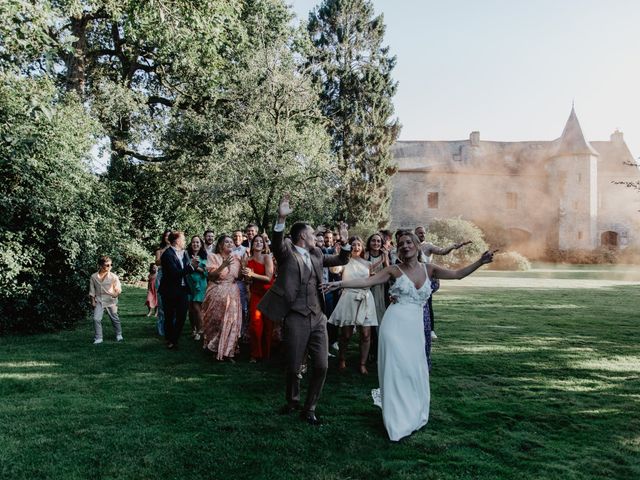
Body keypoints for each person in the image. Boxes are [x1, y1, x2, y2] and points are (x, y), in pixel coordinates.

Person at [323, 230, 495, 441]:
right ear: (398, 248)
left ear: (416, 245)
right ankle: (396, 418)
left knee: (414, 370)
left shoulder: (429, 269)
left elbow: (457, 274)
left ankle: (413, 410)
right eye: (401, 243)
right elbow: (367, 282)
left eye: (408, 242)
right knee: (397, 370)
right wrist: (339, 284)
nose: (405, 246)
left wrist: (480, 261)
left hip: (414, 329)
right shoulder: (394, 270)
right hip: (394, 326)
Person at [258, 194, 351, 426]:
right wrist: (281, 217)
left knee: (321, 365)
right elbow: (277, 241)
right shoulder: (287, 253)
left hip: (318, 317)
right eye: (312, 234)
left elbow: (341, 258)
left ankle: (310, 408)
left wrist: (346, 242)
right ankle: (292, 400)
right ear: (302, 236)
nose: (316, 238)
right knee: (292, 365)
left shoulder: (318, 254)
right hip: (295, 316)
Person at [328, 236, 378, 375]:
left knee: (366, 334)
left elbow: (370, 280)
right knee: (346, 334)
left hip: (365, 298)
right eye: (353, 245)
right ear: (349, 247)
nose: (356, 247)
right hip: (349, 297)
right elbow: (334, 270)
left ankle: (362, 363)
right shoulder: (344, 261)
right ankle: (342, 359)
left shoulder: (368, 264)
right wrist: (336, 255)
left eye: (358, 245)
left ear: (362, 248)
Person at [414, 225, 471, 340]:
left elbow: (442, 251)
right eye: (420, 233)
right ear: (415, 234)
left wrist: (453, 247)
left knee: (428, 303)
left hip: (427, 278)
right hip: (413, 278)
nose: (422, 235)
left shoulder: (428, 246)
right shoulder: (411, 245)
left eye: (424, 233)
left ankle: (431, 330)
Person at [201, 234, 242, 361]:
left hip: (233, 293)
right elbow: (211, 276)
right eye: (227, 242)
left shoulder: (237, 259)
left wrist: (244, 267)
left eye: (231, 242)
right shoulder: (213, 257)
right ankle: (214, 348)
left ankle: (228, 351)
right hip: (216, 294)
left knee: (232, 322)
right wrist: (223, 265)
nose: (230, 244)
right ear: (220, 246)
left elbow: (239, 277)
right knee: (217, 322)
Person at [159, 231, 198, 349]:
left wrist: (192, 265)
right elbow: (175, 273)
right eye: (183, 239)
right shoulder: (167, 254)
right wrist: (191, 267)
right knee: (169, 316)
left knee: (181, 316)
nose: (185, 241)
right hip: (169, 290)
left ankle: (173, 339)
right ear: (176, 241)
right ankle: (170, 339)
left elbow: (185, 271)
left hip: (182, 290)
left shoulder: (184, 253)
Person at [243, 234, 274, 363]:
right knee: (255, 325)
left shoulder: (267, 257)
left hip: (268, 294)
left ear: (264, 244)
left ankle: (266, 354)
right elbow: (248, 280)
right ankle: (255, 354)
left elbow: (269, 277)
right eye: (256, 241)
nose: (258, 243)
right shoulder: (248, 260)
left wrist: (252, 274)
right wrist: (247, 277)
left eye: (261, 241)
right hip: (255, 294)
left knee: (268, 325)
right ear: (252, 244)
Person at [364, 232, 389, 362]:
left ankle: (379, 350)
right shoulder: (366, 255)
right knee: (368, 321)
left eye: (379, 241)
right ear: (370, 242)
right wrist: (380, 261)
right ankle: (368, 351)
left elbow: (389, 271)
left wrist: (385, 260)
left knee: (381, 319)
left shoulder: (384, 255)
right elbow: (365, 271)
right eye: (373, 241)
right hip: (368, 289)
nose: (376, 243)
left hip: (381, 289)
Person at [89, 256, 123, 344]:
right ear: (100, 265)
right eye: (107, 265)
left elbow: (118, 288)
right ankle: (99, 338)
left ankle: (119, 334)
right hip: (99, 300)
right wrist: (92, 301)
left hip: (111, 300)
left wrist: (116, 294)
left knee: (115, 318)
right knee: (96, 319)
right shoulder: (93, 277)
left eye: (111, 265)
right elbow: (92, 290)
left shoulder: (113, 277)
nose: (109, 267)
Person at [186, 235, 208, 340]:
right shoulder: (186, 256)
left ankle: (201, 331)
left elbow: (207, 273)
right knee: (191, 309)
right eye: (194, 242)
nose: (195, 244)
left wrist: (196, 267)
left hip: (200, 285)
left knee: (197, 308)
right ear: (191, 244)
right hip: (189, 284)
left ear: (201, 244)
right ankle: (193, 329)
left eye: (198, 242)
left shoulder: (205, 257)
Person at [155, 229, 172, 336]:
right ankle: (161, 328)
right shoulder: (160, 250)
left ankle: (172, 327)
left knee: (173, 302)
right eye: (166, 236)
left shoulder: (177, 249)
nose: (168, 238)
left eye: (170, 236)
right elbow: (157, 262)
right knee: (162, 302)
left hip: (173, 275)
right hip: (162, 275)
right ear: (164, 237)